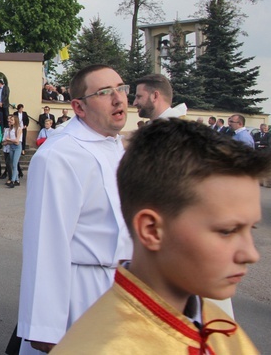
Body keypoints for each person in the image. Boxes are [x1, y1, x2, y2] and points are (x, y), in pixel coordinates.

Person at [54, 119, 267, 354]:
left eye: (251, 229)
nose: (250, 254)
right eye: (227, 231)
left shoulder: (219, 326)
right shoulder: (98, 348)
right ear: (152, 230)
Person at [12, 64, 133, 354]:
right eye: (105, 93)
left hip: (123, 289)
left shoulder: (119, 149)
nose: (118, 99)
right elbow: (46, 243)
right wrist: (45, 326)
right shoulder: (59, 155)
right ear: (78, 106)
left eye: (121, 89)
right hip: (81, 292)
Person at [3, 114, 23, 187]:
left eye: (12, 120)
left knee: (14, 164)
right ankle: (17, 180)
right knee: (12, 164)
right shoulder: (10, 129)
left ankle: (13, 181)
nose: (10, 121)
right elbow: (8, 140)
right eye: (9, 120)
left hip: (17, 147)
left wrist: (9, 140)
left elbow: (17, 141)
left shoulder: (19, 129)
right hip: (11, 147)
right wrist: (8, 141)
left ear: (15, 121)